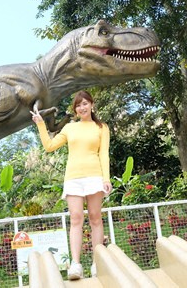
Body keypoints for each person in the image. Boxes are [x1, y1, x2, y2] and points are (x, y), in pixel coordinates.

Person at [31, 90, 112, 280]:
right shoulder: (70, 128)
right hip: (73, 178)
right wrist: (41, 125)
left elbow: (104, 154)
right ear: (75, 110)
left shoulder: (102, 127)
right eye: (78, 105)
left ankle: (96, 263)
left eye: (85, 103)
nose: (82, 107)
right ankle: (76, 264)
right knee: (75, 219)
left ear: (92, 104)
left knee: (95, 218)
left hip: (94, 176)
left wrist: (106, 179)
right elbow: (49, 146)